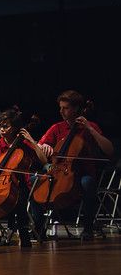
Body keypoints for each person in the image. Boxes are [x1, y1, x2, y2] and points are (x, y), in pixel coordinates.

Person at [36, 90, 114, 240]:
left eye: (66, 108)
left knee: (88, 183)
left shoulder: (89, 126)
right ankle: (39, 228)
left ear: (77, 109)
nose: (61, 111)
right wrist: (44, 147)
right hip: (60, 172)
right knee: (36, 182)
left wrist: (90, 129)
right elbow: (39, 146)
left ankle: (88, 227)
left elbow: (109, 150)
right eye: (60, 107)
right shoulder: (57, 128)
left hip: (83, 173)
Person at [0, 109, 46, 247]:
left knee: (20, 197)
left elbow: (44, 160)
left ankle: (24, 235)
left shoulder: (24, 145)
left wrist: (31, 140)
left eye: (5, 126)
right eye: (1, 126)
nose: (1, 129)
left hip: (20, 184)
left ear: (15, 128)